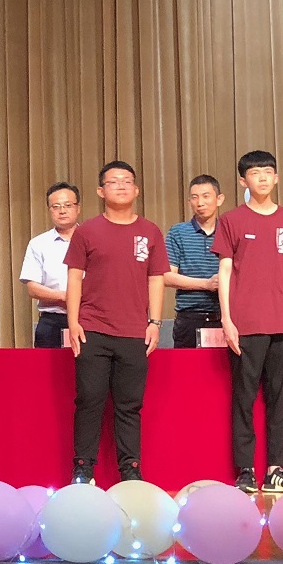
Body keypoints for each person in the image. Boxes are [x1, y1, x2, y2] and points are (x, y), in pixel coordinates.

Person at [213, 151, 283, 494]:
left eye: (268, 172)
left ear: (277, 177)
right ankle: (245, 469)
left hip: (282, 323)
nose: (262, 178)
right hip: (246, 323)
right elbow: (225, 271)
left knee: (278, 398)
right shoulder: (232, 220)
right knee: (243, 398)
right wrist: (227, 318)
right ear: (243, 180)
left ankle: (276, 469)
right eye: (255, 173)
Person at [64, 161, 167, 485]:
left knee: (129, 405)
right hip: (93, 329)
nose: (121, 186)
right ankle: (83, 468)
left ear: (136, 190)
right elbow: (74, 278)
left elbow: (156, 278)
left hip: (134, 332)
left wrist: (154, 322)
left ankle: (130, 469)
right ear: (100, 191)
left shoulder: (150, 232)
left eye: (126, 181)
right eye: (113, 181)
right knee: (89, 401)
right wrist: (73, 321)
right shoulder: (87, 231)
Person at [164, 176, 225, 348]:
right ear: (189, 201)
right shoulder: (178, 232)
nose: (200, 203)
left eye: (206, 196)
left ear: (219, 199)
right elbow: (167, 276)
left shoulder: (229, 232)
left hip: (226, 318)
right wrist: (206, 284)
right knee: (188, 365)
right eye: (194, 197)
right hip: (189, 319)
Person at [20, 183, 81, 348]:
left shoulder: (92, 241)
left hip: (88, 319)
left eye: (68, 205)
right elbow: (32, 288)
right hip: (52, 321)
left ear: (78, 208)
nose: (62, 211)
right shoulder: (38, 244)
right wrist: (65, 296)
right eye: (56, 206)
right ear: (49, 210)